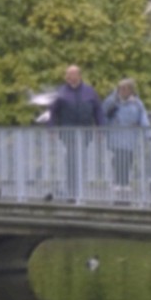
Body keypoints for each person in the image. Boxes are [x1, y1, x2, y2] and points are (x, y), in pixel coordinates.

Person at [48, 65, 103, 200]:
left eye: (73, 75)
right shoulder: (60, 92)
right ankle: (73, 190)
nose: (71, 78)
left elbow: (98, 111)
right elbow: (52, 112)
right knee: (72, 158)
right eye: (68, 75)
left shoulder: (89, 91)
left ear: (79, 76)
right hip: (68, 132)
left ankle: (77, 188)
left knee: (80, 158)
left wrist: (100, 129)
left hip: (85, 131)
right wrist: (51, 128)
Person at [103, 79, 151, 193]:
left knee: (128, 158)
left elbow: (143, 117)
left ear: (131, 90)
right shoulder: (111, 101)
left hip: (130, 135)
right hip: (115, 133)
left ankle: (124, 182)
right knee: (119, 157)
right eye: (121, 89)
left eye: (126, 89)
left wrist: (148, 133)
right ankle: (117, 181)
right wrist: (102, 130)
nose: (123, 91)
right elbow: (103, 114)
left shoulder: (137, 103)